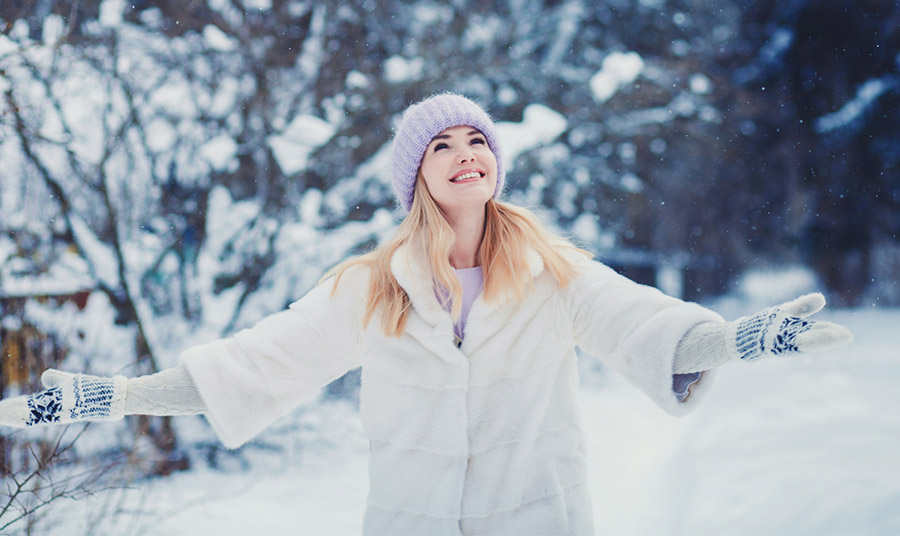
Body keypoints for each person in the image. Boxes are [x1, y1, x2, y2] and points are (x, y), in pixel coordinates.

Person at [0, 93, 852, 535]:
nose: (464, 155)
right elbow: (250, 366)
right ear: (417, 180)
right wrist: (107, 399)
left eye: (476, 140)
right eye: (440, 147)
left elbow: (647, 325)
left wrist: (737, 339)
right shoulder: (367, 288)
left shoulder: (555, 273)